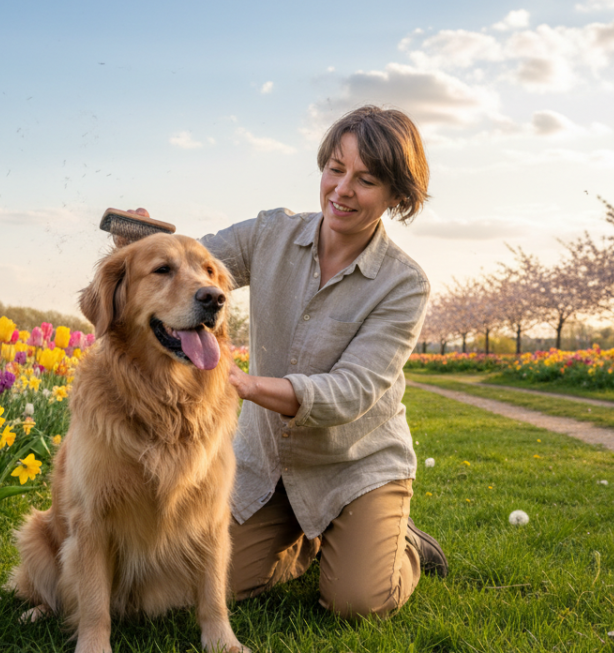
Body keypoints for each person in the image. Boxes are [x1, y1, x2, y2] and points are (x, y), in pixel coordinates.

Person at [131, 105, 445, 621]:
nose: (342, 189)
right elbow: (195, 265)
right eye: (335, 169)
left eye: (366, 180)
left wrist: (246, 385)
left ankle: (404, 545)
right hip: (265, 465)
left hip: (354, 467)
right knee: (193, 587)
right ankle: (310, 541)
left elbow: (352, 390)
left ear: (396, 196)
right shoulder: (269, 235)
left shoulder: (403, 284)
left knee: (356, 603)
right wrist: (146, 245)